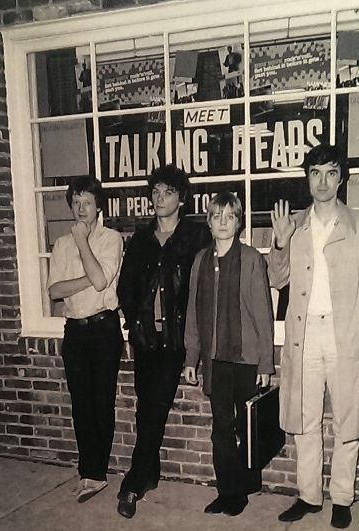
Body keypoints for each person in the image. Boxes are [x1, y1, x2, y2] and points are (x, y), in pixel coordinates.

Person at [267, 144, 359, 529]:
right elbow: (277, 279)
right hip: (303, 336)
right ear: (307, 178)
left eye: (330, 173)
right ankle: (309, 496)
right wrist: (279, 244)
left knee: (347, 421)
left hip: (344, 335)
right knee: (305, 419)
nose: (322, 181)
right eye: (315, 173)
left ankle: (343, 498)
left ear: (341, 178)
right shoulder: (294, 225)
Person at [116, 164, 211, 519]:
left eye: (167, 192)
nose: (159, 199)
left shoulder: (196, 238)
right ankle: (149, 473)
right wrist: (133, 322)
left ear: (181, 198)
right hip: (145, 339)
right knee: (147, 406)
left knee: (154, 407)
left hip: (176, 339)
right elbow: (125, 287)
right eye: (155, 192)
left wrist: (196, 340)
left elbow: (202, 289)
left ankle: (133, 482)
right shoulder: (141, 239)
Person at [184, 192, 274, 517]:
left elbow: (263, 313)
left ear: (238, 222)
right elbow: (194, 314)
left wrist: (266, 362)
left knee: (247, 428)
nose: (223, 222)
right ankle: (228, 491)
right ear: (208, 222)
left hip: (246, 359)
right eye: (216, 216)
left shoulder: (251, 258)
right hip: (215, 361)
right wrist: (191, 358)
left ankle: (247, 486)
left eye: (230, 216)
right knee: (222, 428)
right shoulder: (200, 262)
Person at [48, 176, 124, 503]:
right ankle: (86, 471)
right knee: (81, 404)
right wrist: (83, 279)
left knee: (101, 402)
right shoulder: (61, 244)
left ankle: (97, 474)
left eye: (87, 202)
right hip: (75, 331)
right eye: (76, 203)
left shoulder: (111, 239)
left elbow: (100, 280)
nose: (81, 209)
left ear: (99, 207)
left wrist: (82, 243)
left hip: (104, 329)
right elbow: (54, 290)